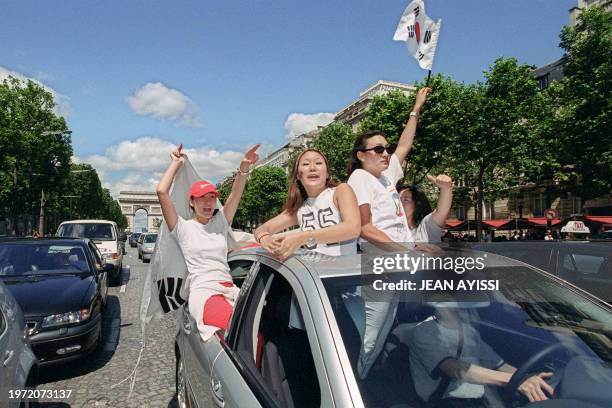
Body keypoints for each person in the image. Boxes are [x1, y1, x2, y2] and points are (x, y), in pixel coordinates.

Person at [156, 143, 259, 341]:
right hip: (205, 293)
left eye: (212, 197)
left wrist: (244, 167)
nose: (208, 202)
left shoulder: (220, 221)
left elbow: (235, 193)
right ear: (191, 202)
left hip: (231, 289)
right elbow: (162, 191)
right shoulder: (183, 228)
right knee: (240, 329)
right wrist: (176, 163)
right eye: (202, 198)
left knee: (259, 330)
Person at [410, 295, 554, 407]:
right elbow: (454, 369)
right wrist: (515, 381)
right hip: (448, 402)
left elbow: (498, 364)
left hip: (482, 400)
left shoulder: (468, 331)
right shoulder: (425, 331)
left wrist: (529, 377)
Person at [347, 87, 431, 247]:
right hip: (383, 262)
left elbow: (404, 145)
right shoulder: (360, 178)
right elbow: (365, 228)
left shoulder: (386, 175)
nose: (385, 153)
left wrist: (416, 109)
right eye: (378, 149)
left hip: (400, 256)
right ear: (361, 155)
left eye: (387, 149)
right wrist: (406, 252)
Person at [254, 149, 360, 260]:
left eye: (318, 163)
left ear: (327, 173)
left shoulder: (340, 191)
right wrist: (265, 239)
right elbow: (261, 229)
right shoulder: (300, 209)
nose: (312, 168)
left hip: (344, 273)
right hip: (312, 275)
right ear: (298, 176)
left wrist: (304, 237)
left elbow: (352, 228)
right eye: (305, 164)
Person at [397, 174, 453, 244]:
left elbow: (441, 211)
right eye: (397, 200)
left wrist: (445, 188)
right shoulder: (388, 228)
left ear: (417, 204)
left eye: (405, 200)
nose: (399, 203)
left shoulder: (427, 225)